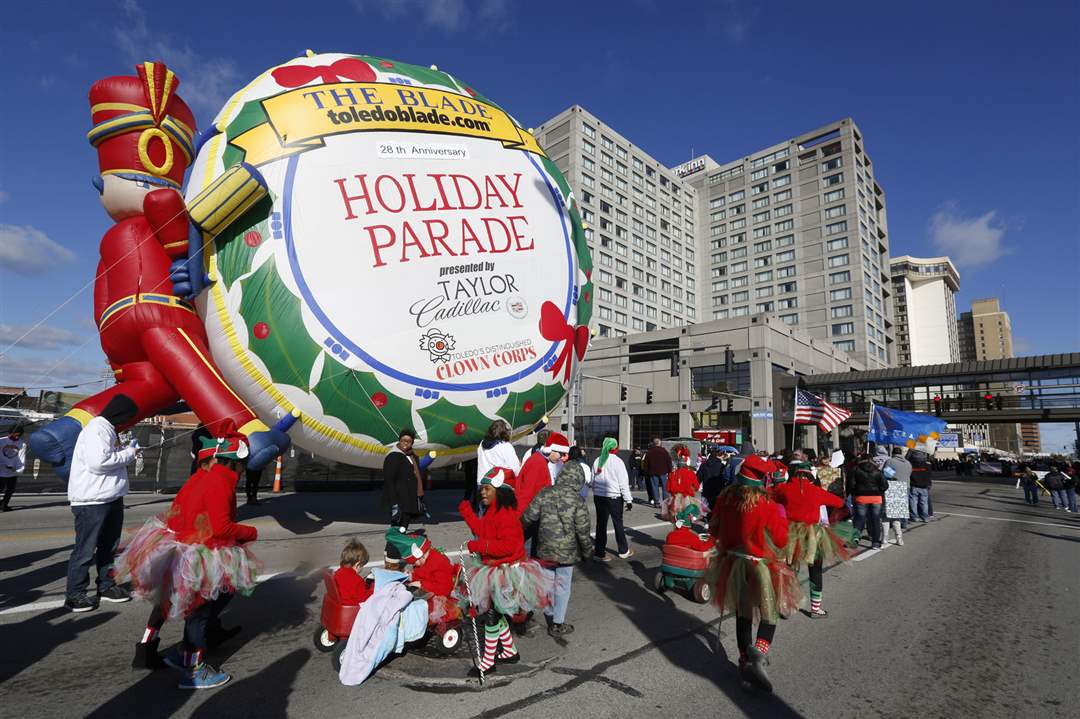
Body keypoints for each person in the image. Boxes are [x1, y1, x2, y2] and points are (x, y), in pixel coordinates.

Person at [117, 434, 258, 689]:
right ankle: (193, 667)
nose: (244, 469)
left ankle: (150, 648)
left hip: (178, 544)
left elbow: (179, 514)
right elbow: (221, 527)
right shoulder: (220, 481)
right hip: (198, 551)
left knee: (178, 599)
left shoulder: (199, 478)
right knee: (200, 608)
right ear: (233, 461)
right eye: (243, 464)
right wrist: (250, 532)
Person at [707, 454, 801, 692]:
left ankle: (744, 661)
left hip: (732, 562)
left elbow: (714, 529)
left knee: (743, 614)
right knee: (770, 612)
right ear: (762, 479)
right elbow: (780, 540)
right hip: (759, 565)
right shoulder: (766, 503)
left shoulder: (724, 498)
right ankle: (759, 651)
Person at [457, 467, 552, 678]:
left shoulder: (507, 516)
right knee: (495, 613)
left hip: (506, 573)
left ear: (501, 491)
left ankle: (488, 662)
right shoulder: (492, 512)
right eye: (482, 488)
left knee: (491, 615)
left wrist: (480, 546)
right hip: (493, 569)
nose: (482, 492)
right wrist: (467, 513)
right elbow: (482, 532)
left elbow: (508, 547)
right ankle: (509, 651)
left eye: (487, 488)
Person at [65, 407, 140, 613]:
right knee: (85, 550)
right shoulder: (97, 429)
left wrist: (126, 451)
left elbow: (108, 457)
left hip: (110, 497)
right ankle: (74, 594)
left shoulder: (108, 430)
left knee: (109, 547)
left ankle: (106, 586)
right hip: (92, 501)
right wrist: (129, 453)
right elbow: (99, 463)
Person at [520, 460, 592, 637]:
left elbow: (528, 517)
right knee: (562, 587)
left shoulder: (545, 492)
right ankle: (557, 624)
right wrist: (587, 552)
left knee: (542, 584)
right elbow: (583, 531)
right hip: (567, 554)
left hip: (544, 549)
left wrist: (516, 533)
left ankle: (524, 615)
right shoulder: (578, 500)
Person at [773, 461, 847, 617]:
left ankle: (785, 605)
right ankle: (815, 609)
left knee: (788, 569)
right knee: (815, 570)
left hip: (790, 533)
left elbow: (772, 496)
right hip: (813, 534)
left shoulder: (785, 489)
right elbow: (839, 503)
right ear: (810, 476)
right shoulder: (816, 491)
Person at [388, 528, 461, 629]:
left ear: (419, 556)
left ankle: (415, 629)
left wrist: (421, 584)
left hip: (441, 598)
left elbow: (444, 589)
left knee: (414, 610)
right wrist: (412, 576)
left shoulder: (439, 562)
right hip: (430, 591)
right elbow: (423, 574)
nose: (413, 565)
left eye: (413, 562)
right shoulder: (426, 561)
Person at [591, 437, 634, 562]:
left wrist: (596, 491)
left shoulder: (597, 460)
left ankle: (599, 553)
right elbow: (623, 483)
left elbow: (593, 480)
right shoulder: (618, 461)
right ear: (615, 448)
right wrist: (628, 500)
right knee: (618, 523)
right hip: (614, 497)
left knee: (601, 524)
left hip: (599, 496)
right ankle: (623, 550)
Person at [382, 429, 421, 528]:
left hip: (410, 496)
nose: (406, 443)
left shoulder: (412, 455)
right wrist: (393, 501)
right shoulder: (393, 455)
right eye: (404, 440)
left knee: (404, 525)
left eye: (409, 441)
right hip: (399, 497)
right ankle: (395, 538)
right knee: (397, 526)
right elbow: (389, 479)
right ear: (399, 441)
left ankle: (401, 536)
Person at [848, 453, 887, 549]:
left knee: (859, 519)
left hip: (861, 497)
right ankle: (875, 542)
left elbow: (851, 484)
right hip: (876, 498)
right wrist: (879, 491)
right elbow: (885, 485)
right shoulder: (877, 470)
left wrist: (854, 493)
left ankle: (855, 538)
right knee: (875, 520)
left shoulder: (855, 469)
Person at [476, 419, 521, 487]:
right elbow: (515, 468)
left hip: (481, 482)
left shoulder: (482, 444)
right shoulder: (506, 446)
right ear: (504, 432)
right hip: (497, 484)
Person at [882, 448, 912, 545]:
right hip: (904, 488)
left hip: (893, 487)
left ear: (893, 453)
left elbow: (886, 474)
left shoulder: (890, 461)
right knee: (897, 516)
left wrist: (894, 476)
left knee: (886, 516)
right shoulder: (908, 463)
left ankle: (885, 538)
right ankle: (899, 538)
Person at [334, 537, 374, 605]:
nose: (362, 568)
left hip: (342, 604)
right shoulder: (357, 581)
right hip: (353, 607)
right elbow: (364, 599)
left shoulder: (337, 573)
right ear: (357, 564)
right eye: (362, 566)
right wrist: (372, 588)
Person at [1, 422, 28, 512]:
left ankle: (4, 505)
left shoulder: (22, 444)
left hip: (12, 472)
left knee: (10, 490)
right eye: (16, 435)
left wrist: (19, 469)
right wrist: (3, 464)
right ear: (10, 433)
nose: (17, 437)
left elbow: (21, 458)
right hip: (1, 472)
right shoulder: (1, 441)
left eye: (19, 435)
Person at [643, 438, 672, 508]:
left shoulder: (649, 452)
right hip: (663, 471)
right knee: (665, 487)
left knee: (654, 487)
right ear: (659, 443)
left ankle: (656, 502)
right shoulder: (664, 451)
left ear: (654, 443)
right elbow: (669, 461)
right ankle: (665, 502)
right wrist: (670, 470)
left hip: (652, 472)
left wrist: (646, 472)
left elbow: (646, 463)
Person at [908, 448, 932, 522]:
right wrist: (929, 484)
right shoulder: (927, 465)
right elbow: (929, 475)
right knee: (924, 502)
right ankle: (925, 517)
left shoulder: (910, 464)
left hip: (914, 485)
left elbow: (909, 474)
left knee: (913, 502)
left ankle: (915, 517)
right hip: (924, 485)